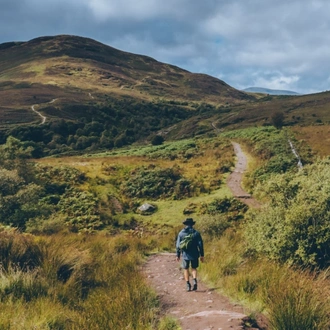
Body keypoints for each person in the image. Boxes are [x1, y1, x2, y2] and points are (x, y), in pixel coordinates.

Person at [176, 218, 204, 291]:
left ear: (185, 224)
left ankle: (188, 284)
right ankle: (194, 280)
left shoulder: (181, 233)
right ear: (192, 224)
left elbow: (178, 246)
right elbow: (200, 245)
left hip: (185, 254)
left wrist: (178, 255)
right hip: (195, 254)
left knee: (186, 269)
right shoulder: (196, 233)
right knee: (194, 268)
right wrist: (202, 255)